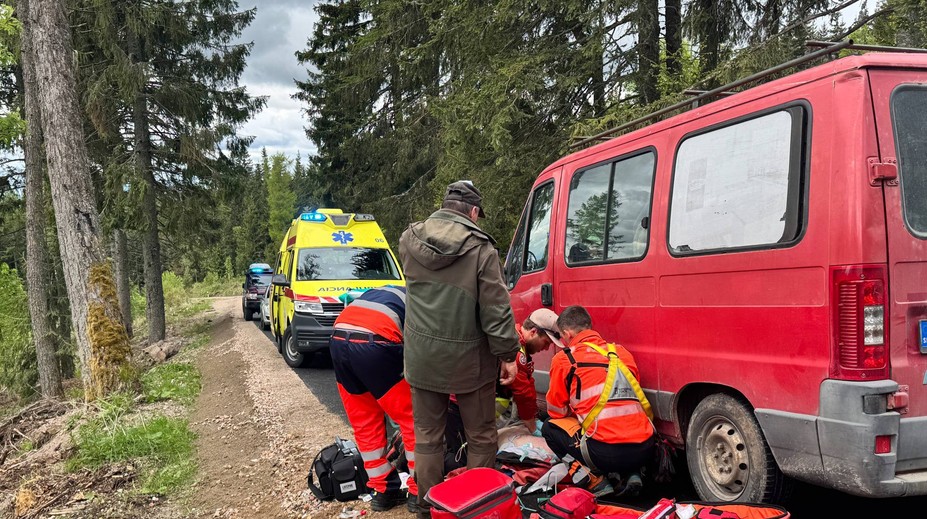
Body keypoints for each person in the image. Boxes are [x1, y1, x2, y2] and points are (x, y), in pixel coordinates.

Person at [399, 180, 520, 518]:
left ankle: (428, 507)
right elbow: (496, 311)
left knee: (428, 436)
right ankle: (473, 508)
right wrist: (508, 355)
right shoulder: (482, 249)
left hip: (421, 357)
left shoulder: (409, 240)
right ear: (473, 211)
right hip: (469, 361)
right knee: (480, 436)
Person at [542, 305, 656, 497]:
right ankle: (632, 473)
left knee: (549, 427)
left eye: (561, 337)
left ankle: (595, 481)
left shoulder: (565, 359)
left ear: (567, 333)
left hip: (604, 454)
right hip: (644, 448)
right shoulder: (621, 353)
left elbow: (557, 411)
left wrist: (578, 412)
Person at [329, 286, 419, 512]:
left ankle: (383, 490)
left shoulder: (386, 293)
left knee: (364, 421)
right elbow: (422, 349)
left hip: (338, 339)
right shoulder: (421, 301)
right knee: (412, 419)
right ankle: (419, 490)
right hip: (376, 341)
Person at [496, 308, 564, 433]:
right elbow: (523, 394)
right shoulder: (517, 352)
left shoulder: (517, 344)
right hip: (470, 408)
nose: (546, 348)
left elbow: (528, 385)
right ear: (533, 332)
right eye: (546, 342)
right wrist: (532, 427)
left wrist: (534, 416)